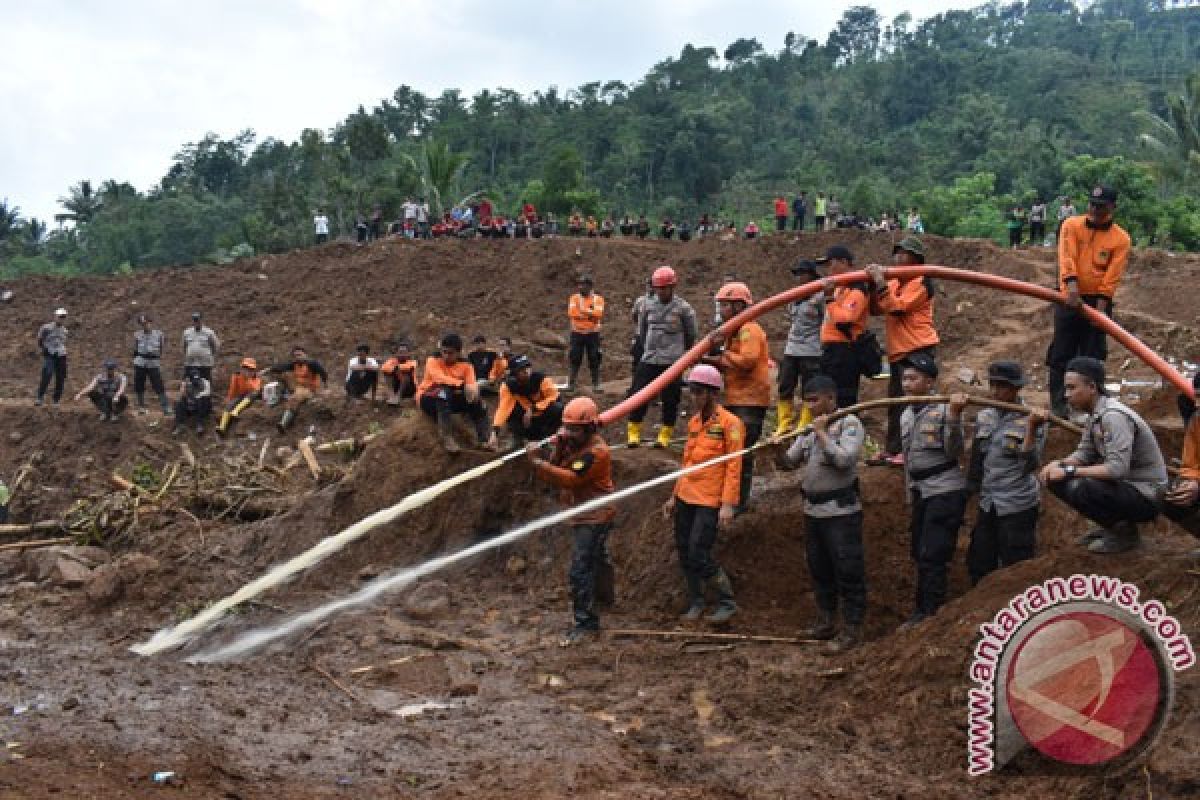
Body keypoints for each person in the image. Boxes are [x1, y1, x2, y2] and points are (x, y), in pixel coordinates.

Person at [1040, 357, 1168, 554]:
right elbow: (1084, 452)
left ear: (1092, 387)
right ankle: (1114, 526)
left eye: (1072, 388)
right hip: (1127, 488)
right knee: (1055, 479)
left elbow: (1117, 469)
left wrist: (1070, 471)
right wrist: (1058, 463)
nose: (1066, 395)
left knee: (1085, 485)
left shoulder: (1114, 417)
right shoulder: (1096, 415)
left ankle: (1126, 535)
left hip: (1147, 494)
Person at [776, 375, 866, 653]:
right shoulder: (808, 430)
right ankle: (826, 620)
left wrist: (823, 433)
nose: (811, 406)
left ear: (830, 398)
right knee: (820, 569)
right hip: (813, 511)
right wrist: (776, 448)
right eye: (807, 401)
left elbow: (844, 460)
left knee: (848, 570)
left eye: (815, 401)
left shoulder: (849, 423)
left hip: (841, 513)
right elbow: (789, 464)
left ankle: (852, 628)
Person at [526, 397, 616, 645]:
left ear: (589, 428)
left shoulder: (597, 452)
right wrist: (557, 449)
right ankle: (605, 597)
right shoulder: (574, 444)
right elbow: (557, 467)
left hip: (595, 515)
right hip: (582, 511)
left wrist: (536, 462)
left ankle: (586, 623)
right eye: (567, 427)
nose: (569, 433)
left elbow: (570, 479)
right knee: (598, 557)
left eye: (575, 429)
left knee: (581, 568)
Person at [663, 364, 743, 623]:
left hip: (709, 500)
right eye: (691, 391)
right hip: (687, 495)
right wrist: (674, 496)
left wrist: (728, 504)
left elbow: (734, 466)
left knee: (699, 551)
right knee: (685, 550)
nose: (692, 396)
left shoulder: (731, 424)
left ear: (711, 393)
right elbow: (687, 462)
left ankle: (726, 601)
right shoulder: (694, 423)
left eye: (697, 391)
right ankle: (696, 601)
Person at [1045, 185, 1132, 419]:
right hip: (1068, 296)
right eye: (1092, 204)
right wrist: (1071, 289)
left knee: (1093, 355)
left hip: (1098, 301)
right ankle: (1059, 407)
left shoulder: (1120, 239)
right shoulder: (1071, 225)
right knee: (1062, 352)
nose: (1094, 209)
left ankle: (1093, 410)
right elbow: (1067, 257)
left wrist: (1100, 311)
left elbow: (1113, 275)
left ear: (1112, 207)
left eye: (1100, 206)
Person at [899, 354, 968, 627]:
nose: (906, 384)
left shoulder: (943, 411)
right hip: (920, 491)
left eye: (913, 378)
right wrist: (909, 495)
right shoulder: (905, 413)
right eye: (904, 378)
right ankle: (924, 608)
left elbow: (954, 450)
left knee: (933, 553)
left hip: (944, 490)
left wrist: (953, 417)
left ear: (929, 382)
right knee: (919, 550)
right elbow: (908, 461)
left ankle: (929, 614)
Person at [965, 361, 1046, 584]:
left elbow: (1031, 463)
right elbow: (977, 457)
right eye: (993, 385)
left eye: (1003, 387)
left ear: (1015, 389)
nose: (996, 392)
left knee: (1016, 564)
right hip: (989, 502)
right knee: (979, 560)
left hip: (1017, 502)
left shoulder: (1031, 419)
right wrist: (971, 489)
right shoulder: (985, 416)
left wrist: (1031, 429)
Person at [865, 237, 940, 466]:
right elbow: (877, 309)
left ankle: (912, 451)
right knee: (896, 403)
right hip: (900, 350)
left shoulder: (922, 280)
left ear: (916, 260)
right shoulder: (896, 282)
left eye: (903, 254)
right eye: (895, 253)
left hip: (917, 347)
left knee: (915, 402)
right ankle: (893, 449)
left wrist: (880, 282)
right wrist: (873, 285)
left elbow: (897, 308)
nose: (897, 258)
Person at [704, 282, 770, 513]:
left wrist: (722, 355)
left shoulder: (748, 330)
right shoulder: (735, 332)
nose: (721, 312)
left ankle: (738, 502)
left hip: (749, 402)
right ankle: (729, 497)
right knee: (732, 449)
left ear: (738, 306)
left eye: (725, 306)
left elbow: (747, 361)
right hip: (738, 398)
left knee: (740, 452)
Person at [627, 266, 698, 448]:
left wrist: (681, 354)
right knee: (638, 394)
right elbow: (642, 330)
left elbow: (691, 334)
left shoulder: (684, 309)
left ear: (673, 287)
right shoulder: (646, 306)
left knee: (670, 398)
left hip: (672, 362)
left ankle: (664, 435)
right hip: (649, 358)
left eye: (664, 288)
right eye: (658, 288)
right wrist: (646, 348)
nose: (661, 292)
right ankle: (633, 433)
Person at [416, 333, 490, 453]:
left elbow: (471, 385)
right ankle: (447, 438)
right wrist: (461, 385)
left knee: (479, 403)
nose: (446, 356)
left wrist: (474, 393)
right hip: (428, 397)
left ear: (458, 352)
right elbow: (438, 378)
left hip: (450, 399)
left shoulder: (467, 366)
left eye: (450, 353)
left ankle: (484, 440)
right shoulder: (432, 360)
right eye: (444, 352)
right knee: (442, 392)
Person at [817, 246, 871, 409]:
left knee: (843, 398)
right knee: (828, 396)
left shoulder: (857, 288)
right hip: (832, 351)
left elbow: (845, 319)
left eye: (830, 264)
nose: (828, 269)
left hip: (844, 352)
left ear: (844, 262)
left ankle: (847, 431)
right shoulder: (840, 288)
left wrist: (828, 299)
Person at [776, 260, 825, 435]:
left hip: (812, 349)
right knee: (785, 385)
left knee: (809, 387)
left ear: (811, 275)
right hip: (792, 348)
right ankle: (784, 423)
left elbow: (827, 321)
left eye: (802, 274)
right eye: (797, 274)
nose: (799, 278)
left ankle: (804, 423)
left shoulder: (820, 296)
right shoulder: (795, 297)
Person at [489, 355, 563, 448]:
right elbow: (503, 408)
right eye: (521, 369)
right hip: (526, 421)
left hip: (543, 417)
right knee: (511, 411)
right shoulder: (508, 386)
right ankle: (517, 440)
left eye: (527, 367)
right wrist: (495, 431)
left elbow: (554, 396)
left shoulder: (541, 379)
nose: (526, 371)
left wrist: (533, 408)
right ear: (514, 373)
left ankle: (547, 440)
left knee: (557, 408)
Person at [265, 346, 328, 432]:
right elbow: (282, 367)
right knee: (283, 374)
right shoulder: (295, 364)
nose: (298, 357)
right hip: (297, 386)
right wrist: (268, 370)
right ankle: (281, 395)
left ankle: (283, 423)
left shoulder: (312, 364)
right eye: (296, 355)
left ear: (305, 354)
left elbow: (323, 372)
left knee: (294, 398)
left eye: (300, 355)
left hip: (309, 389)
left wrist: (325, 386)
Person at [567, 275, 605, 392]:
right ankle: (571, 384)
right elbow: (572, 313)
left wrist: (582, 311)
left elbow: (598, 314)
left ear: (590, 286)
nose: (580, 287)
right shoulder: (574, 298)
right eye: (580, 284)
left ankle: (596, 384)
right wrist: (590, 314)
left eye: (583, 285)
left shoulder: (598, 299)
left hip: (592, 334)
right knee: (574, 357)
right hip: (577, 333)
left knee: (594, 358)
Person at [132, 314, 170, 415]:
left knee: (158, 384)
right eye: (142, 324)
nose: (145, 326)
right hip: (140, 362)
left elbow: (161, 348)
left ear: (150, 323)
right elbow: (135, 349)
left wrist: (156, 357)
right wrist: (136, 360)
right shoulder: (137, 335)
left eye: (146, 323)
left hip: (153, 362)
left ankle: (165, 407)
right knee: (139, 385)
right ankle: (141, 407)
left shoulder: (159, 334)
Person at [217, 357, 262, 435]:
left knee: (253, 393)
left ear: (253, 371)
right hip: (241, 395)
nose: (247, 370)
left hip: (252, 396)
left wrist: (248, 379)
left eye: (250, 369)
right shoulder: (236, 376)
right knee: (230, 404)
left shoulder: (256, 378)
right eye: (245, 368)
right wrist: (229, 399)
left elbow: (255, 389)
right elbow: (233, 389)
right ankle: (222, 427)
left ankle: (236, 411)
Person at [35, 308, 69, 406]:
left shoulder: (65, 331)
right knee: (47, 374)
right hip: (49, 353)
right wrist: (43, 348)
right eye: (60, 317)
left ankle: (56, 400)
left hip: (61, 355)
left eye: (63, 317)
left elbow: (63, 343)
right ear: (55, 317)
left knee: (61, 377)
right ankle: (40, 397)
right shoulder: (46, 328)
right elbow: (40, 339)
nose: (62, 319)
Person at [182, 313, 220, 383]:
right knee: (188, 382)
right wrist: (188, 354)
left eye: (197, 320)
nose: (196, 322)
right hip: (191, 363)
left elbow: (216, 346)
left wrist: (210, 355)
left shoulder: (209, 332)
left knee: (206, 383)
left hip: (205, 364)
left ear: (201, 320)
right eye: (194, 320)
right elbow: (184, 346)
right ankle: (190, 393)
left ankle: (206, 394)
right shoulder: (186, 332)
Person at [173, 370, 213, 435]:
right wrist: (183, 386)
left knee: (202, 399)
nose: (196, 382)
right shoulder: (187, 383)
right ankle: (179, 425)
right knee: (179, 403)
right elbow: (181, 395)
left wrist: (198, 395)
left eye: (197, 379)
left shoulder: (205, 382)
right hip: (191, 405)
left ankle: (199, 424)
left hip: (203, 406)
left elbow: (208, 392)